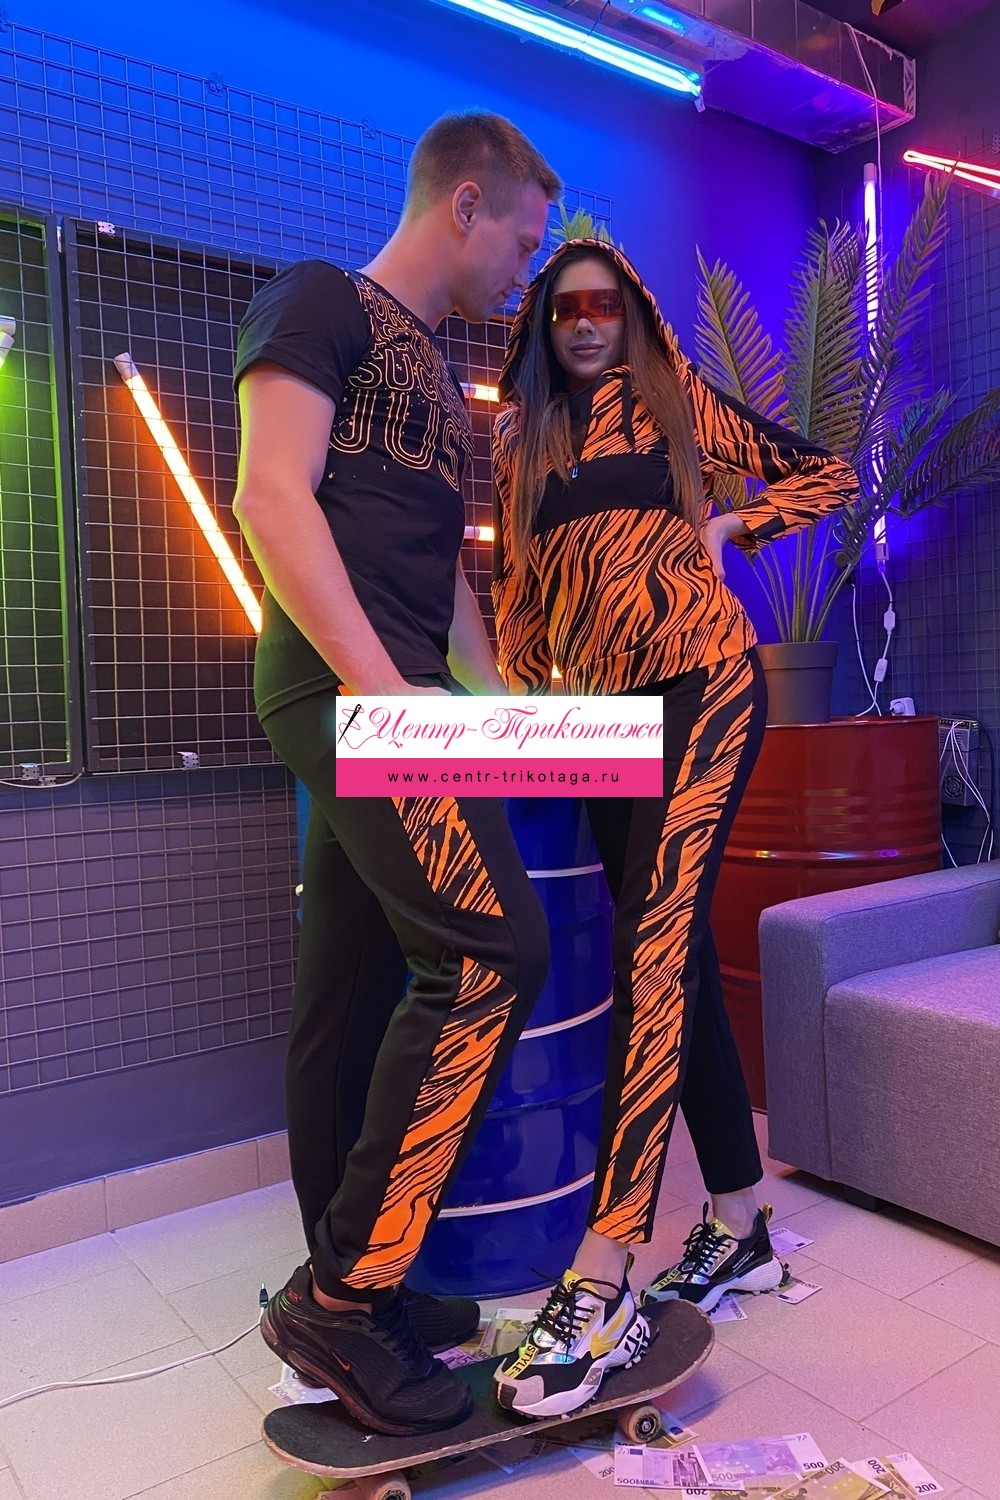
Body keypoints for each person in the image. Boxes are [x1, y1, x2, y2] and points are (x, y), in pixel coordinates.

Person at [232, 112, 561, 1436]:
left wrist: (504, 706)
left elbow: (445, 585)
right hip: (346, 693)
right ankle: (343, 1295)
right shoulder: (319, 301)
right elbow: (269, 496)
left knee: (353, 994)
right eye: (522, 244)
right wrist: (385, 693)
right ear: (464, 203)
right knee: (492, 956)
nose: (525, 276)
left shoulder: (433, 372)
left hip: (400, 698)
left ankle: (357, 1284)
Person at [489, 239, 859, 1418]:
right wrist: (524, 710)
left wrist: (731, 529)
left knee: (651, 957)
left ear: (633, 312)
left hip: (704, 685)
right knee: (674, 957)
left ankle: (603, 1273)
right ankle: (740, 1224)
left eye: (604, 303)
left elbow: (829, 473)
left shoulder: (677, 400)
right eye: (564, 308)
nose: (586, 321)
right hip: (601, 718)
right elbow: (517, 598)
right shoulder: (520, 440)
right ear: (541, 326)